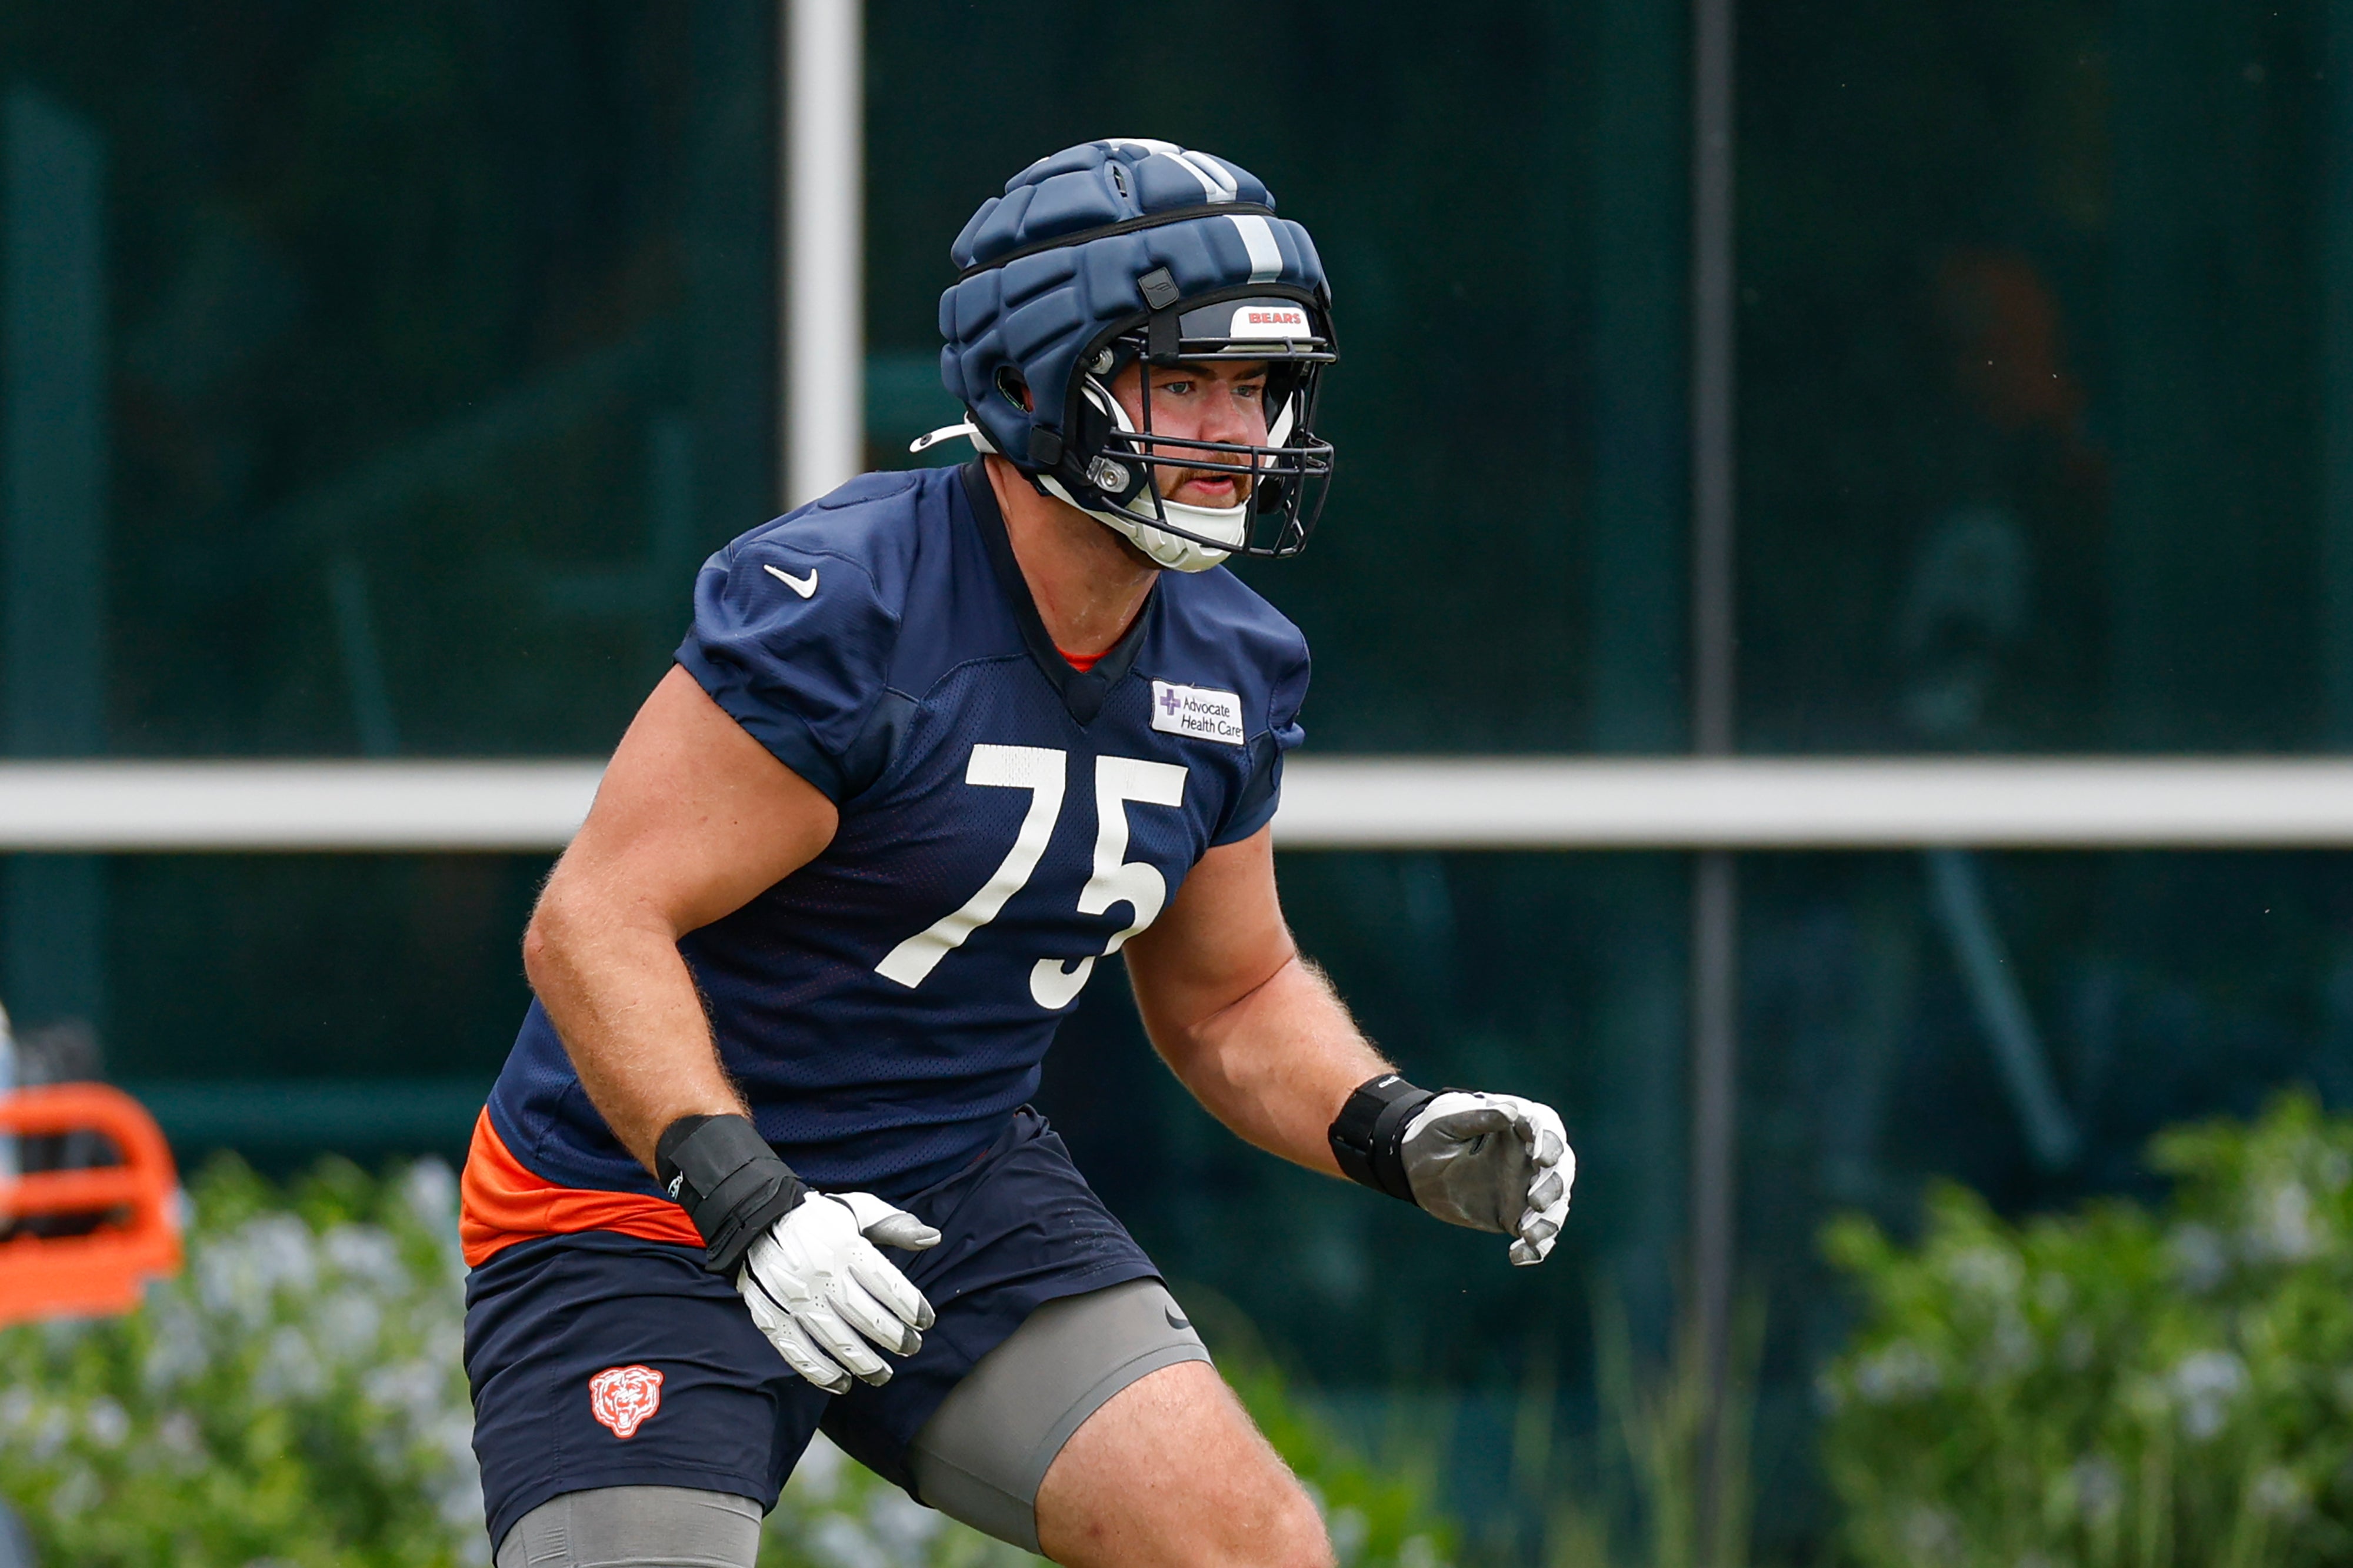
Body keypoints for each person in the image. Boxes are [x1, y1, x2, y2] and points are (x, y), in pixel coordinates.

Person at [459, 138, 1575, 1568]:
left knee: (1253, 1550)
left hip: (951, 1182)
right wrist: (747, 1201)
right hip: (641, 1205)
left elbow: (1226, 996)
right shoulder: (849, 606)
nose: (1237, 432)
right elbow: (593, 925)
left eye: (1260, 387)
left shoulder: (1232, 659)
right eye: (1185, 380)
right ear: (1042, 379)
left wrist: (1388, 1123)